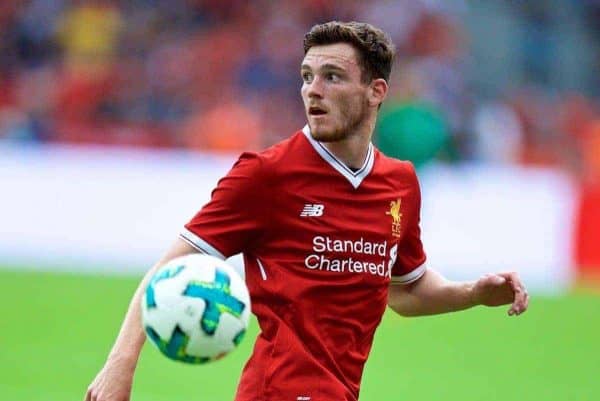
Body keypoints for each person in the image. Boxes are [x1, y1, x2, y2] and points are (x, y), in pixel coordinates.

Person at [85, 21, 529, 401]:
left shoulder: (399, 183)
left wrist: (474, 293)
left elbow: (405, 291)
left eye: (332, 77)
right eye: (306, 76)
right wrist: (120, 365)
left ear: (376, 91)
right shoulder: (266, 175)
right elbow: (167, 271)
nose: (313, 90)